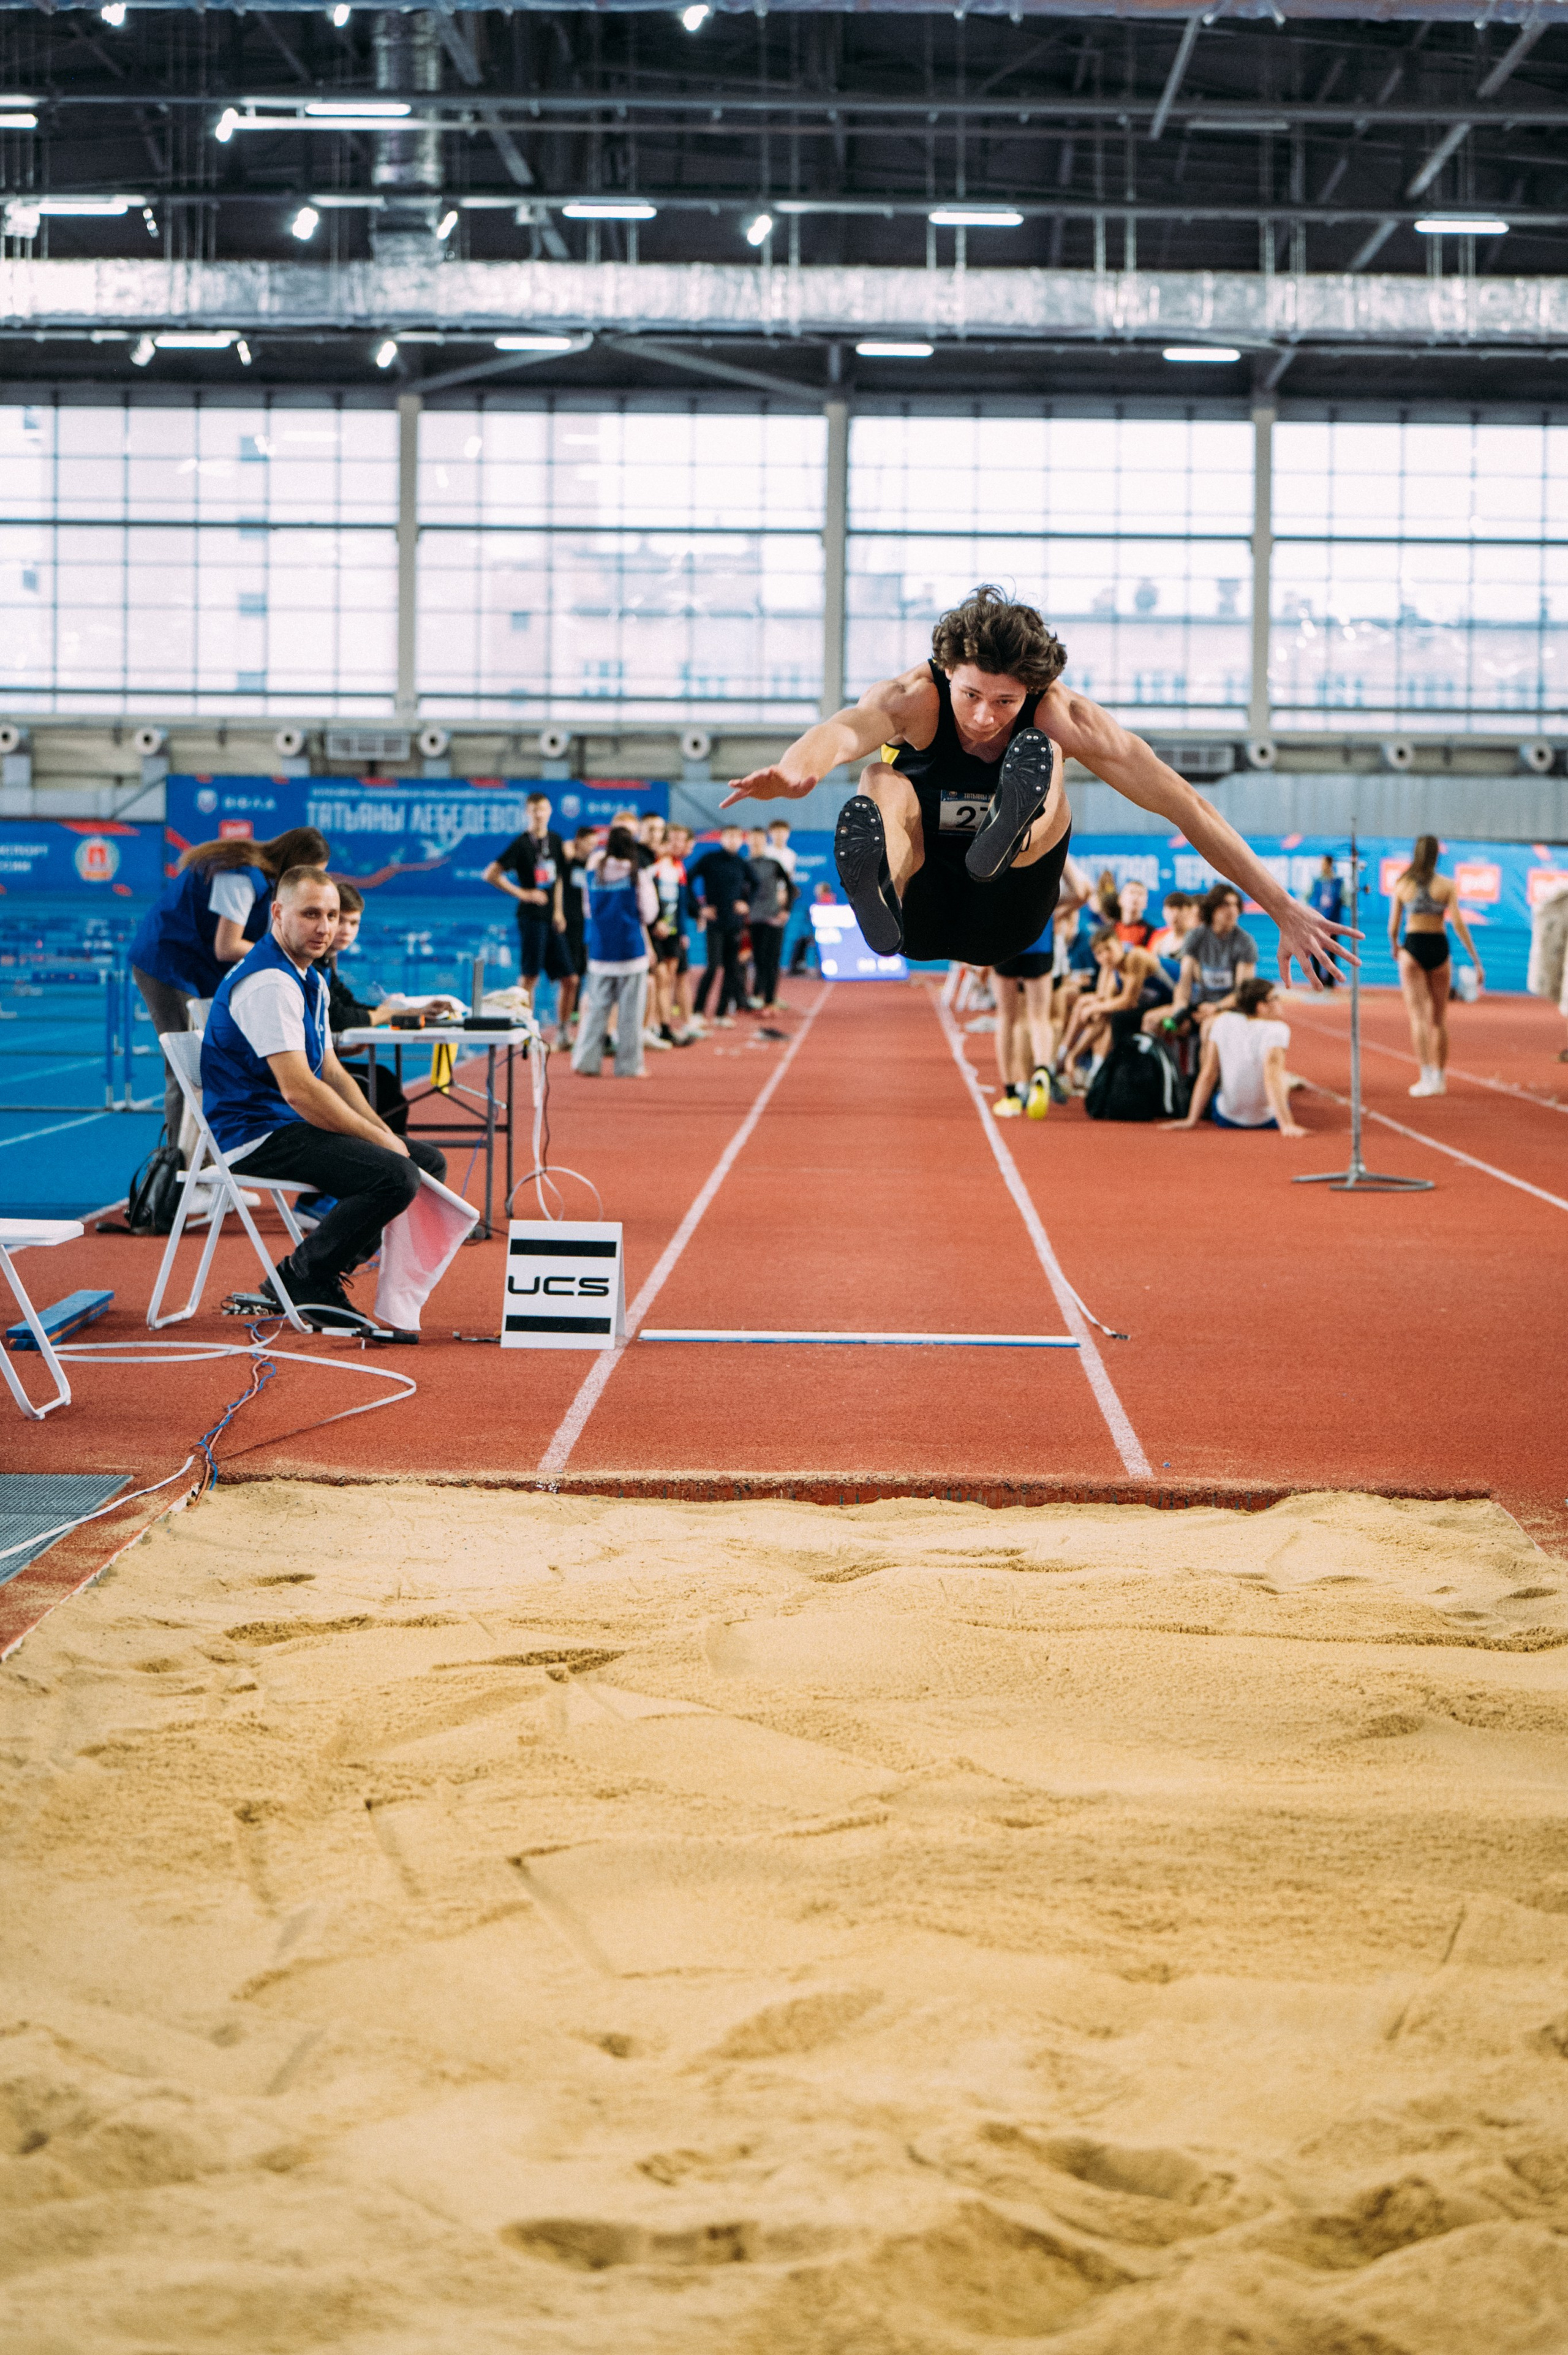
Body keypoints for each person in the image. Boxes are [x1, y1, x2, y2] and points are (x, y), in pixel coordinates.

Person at [721, 584, 1346, 986]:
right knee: (880, 776)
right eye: (970, 696)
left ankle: (1010, 832)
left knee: (1040, 751)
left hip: (1010, 912)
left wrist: (1282, 906)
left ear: (1031, 689)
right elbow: (842, 730)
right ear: (945, 672)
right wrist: (797, 769)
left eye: (1005, 700)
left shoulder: (1059, 715)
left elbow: (1186, 806)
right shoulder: (913, 698)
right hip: (918, 911)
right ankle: (882, 883)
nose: (986, 716)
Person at [200, 866, 447, 1329]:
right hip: (255, 1134)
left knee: (426, 1163)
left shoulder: (310, 978)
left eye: (332, 915)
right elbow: (300, 1089)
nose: (325, 927)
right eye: (311, 914)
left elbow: (331, 1072)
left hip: (288, 1123)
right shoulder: (270, 982)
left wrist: (380, 1131)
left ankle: (315, 1270)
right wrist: (380, 1142)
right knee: (395, 1175)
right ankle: (307, 1276)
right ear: (278, 914)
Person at [129, 825, 328, 1147]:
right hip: (166, 964)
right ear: (294, 862)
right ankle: (178, 1170)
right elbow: (228, 945)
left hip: (193, 965)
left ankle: (209, 1162)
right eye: (311, 873)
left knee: (214, 1067)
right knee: (186, 1071)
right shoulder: (241, 877)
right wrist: (286, 955)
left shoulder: (262, 881)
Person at [992, 849, 1091, 1118]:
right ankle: (1042, 1070)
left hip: (1003, 935)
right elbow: (1083, 891)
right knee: (1039, 1017)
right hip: (1040, 934)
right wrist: (1057, 910)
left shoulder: (993, 838)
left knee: (1007, 1019)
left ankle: (1011, 1094)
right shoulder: (1052, 843)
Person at [1390, 833, 1484, 1098]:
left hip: (1413, 946)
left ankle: (1426, 1077)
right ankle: (1440, 1079)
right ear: (1436, 855)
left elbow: (1393, 926)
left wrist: (1395, 946)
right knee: (1439, 1020)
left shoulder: (1402, 884)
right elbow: (1458, 923)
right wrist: (1476, 960)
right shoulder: (1447, 885)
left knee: (1418, 1017)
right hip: (1439, 947)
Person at [1163, 976, 1306, 1137]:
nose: (1280, 1003)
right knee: (1282, 1077)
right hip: (1266, 1121)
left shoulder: (1222, 1021)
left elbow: (1209, 1074)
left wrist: (1191, 1120)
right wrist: (1287, 1125)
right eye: (1275, 998)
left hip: (1225, 1118)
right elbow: (1272, 1078)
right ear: (1261, 1006)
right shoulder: (1278, 1030)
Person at [571, 825, 659, 1080]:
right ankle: (629, 1067)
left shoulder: (594, 873)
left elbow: (588, 910)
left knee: (596, 1011)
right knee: (630, 1015)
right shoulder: (636, 875)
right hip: (631, 952)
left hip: (600, 952)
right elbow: (650, 913)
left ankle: (586, 1062)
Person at [483, 792, 572, 1013]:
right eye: (535, 811)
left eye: (543, 809)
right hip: (532, 917)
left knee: (570, 978)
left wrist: (559, 912)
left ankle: (562, 1029)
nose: (539, 815)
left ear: (550, 811)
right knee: (530, 975)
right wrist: (523, 893)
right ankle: (527, 1028)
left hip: (552, 916)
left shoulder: (556, 840)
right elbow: (491, 874)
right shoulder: (522, 843)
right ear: (527, 813)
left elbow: (558, 878)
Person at [1056, 928, 1172, 1091]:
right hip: (1153, 1004)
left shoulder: (1135, 957)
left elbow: (1128, 1002)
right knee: (1090, 1006)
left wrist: (1093, 1008)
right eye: (1099, 953)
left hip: (1177, 1001)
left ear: (1119, 945)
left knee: (1115, 1015)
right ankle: (1067, 1057)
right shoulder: (1110, 966)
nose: (1105, 956)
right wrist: (1074, 1055)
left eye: (1108, 949)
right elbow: (1104, 1002)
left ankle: (1094, 1067)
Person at [1153, 884, 1258, 1037]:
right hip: (1200, 1005)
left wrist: (1216, 1007)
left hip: (1230, 1009)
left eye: (1236, 905)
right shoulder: (1196, 937)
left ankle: (1205, 1062)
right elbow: (1185, 982)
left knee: (1209, 1027)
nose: (1232, 910)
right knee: (1153, 1020)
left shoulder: (1245, 942)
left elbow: (1243, 992)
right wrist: (1179, 1009)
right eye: (1225, 905)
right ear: (1212, 909)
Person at [687, 825, 759, 1026]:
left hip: (734, 923)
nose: (733, 840)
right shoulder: (710, 859)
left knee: (732, 969)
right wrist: (699, 908)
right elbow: (688, 879)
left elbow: (756, 884)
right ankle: (698, 1011)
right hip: (715, 922)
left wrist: (747, 904)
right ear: (722, 838)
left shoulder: (741, 863)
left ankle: (721, 1013)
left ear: (741, 840)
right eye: (729, 836)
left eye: (737, 837)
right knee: (712, 967)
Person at [745, 825, 795, 1013]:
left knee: (773, 960)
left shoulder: (774, 864)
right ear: (748, 841)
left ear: (765, 842)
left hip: (774, 918)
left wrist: (786, 910)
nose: (756, 843)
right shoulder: (744, 864)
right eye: (753, 839)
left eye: (760, 839)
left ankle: (770, 1000)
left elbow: (791, 888)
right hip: (754, 919)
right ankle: (756, 996)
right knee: (757, 960)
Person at [557, 825, 599, 1044]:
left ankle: (578, 1018)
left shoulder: (594, 865)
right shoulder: (567, 862)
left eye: (595, 843)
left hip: (588, 924)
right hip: (568, 923)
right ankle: (564, 1024)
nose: (592, 847)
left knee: (583, 971)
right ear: (578, 841)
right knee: (570, 975)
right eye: (589, 842)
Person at [1306, 855, 1345, 987]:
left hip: (1333, 923)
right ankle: (1317, 980)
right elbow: (1306, 897)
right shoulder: (1316, 882)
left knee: (1332, 951)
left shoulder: (1339, 882)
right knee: (1315, 951)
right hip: (1317, 923)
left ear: (1330, 864)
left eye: (1323, 863)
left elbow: (1346, 900)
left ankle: (1330, 981)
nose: (1321, 866)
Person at [1112, 877, 1155, 948]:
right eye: (1131, 892)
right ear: (1120, 899)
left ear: (1146, 903)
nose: (1135, 897)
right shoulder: (1109, 930)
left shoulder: (1152, 933)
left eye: (1140, 894)